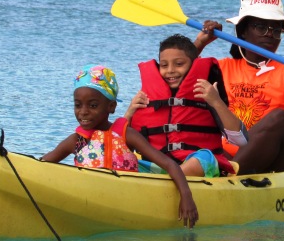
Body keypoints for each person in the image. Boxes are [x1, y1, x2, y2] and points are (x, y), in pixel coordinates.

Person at [41, 64, 198, 228]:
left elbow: (168, 164)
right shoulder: (76, 140)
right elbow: (42, 164)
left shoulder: (126, 135)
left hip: (126, 199)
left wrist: (186, 196)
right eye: (78, 105)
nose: (83, 112)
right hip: (91, 200)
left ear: (112, 107)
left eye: (93, 105)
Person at [194, 0, 284, 175]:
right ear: (242, 32)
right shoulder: (223, 67)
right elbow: (177, 79)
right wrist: (200, 42)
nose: (269, 35)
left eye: (276, 30)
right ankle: (227, 173)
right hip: (235, 158)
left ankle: (230, 177)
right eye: (261, 27)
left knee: (280, 118)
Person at [124, 34, 246, 177]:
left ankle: (170, 183)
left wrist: (216, 101)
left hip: (199, 166)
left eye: (179, 64)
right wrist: (129, 113)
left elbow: (241, 140)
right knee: (121, 160)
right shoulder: (146, 97)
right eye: (164, 65)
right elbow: (120, 143)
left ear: (194, 65)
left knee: (204, 158)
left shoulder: (207, 94)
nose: (170, 70)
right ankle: (170, 182)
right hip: (159, 167)